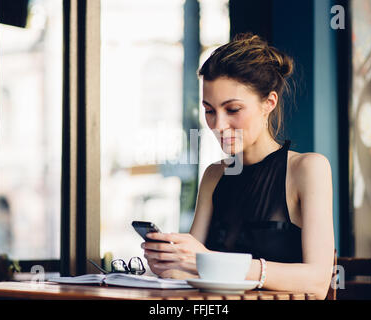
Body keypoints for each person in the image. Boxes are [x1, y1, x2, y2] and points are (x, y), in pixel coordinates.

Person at [141, 33, 335, 300]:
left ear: (269, 103)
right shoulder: (214, 174)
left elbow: (318, 281)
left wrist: (206, 261)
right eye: (209, 111)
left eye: (232, 110)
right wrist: (171, 262)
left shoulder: (308, 169)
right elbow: (193, 268)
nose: (218, 125)